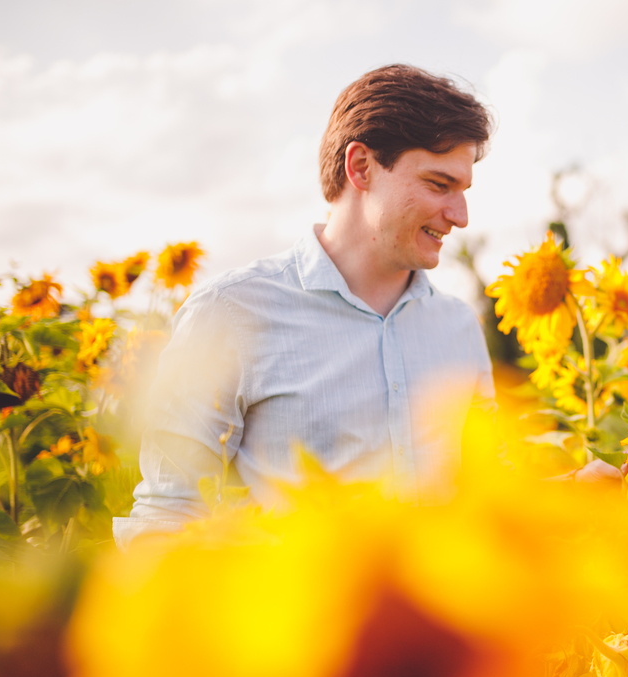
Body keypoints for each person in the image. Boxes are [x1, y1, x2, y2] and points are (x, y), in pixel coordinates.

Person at [114, 65, 495, 548]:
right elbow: (167, 518)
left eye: (463, 191)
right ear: (361, 167)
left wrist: (570, 492)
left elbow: (487, 493)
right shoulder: (229, 314)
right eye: (439, 184)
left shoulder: (459, 327)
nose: (460, 216)